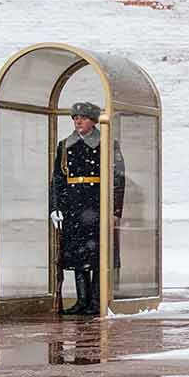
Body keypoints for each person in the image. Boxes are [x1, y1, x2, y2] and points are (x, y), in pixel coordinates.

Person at [51, 101, 124, 317]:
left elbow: (118, 179)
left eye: (82, 118)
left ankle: (96, 301)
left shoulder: (107, 144)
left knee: (97, 255)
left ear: (93, 121)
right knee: (78, 256)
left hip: (97, 205)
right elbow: (58, 180)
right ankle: (82, 301)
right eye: (75, 118)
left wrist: (114, 211)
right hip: (73, 206)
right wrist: (55, 207)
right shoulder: (65, 145)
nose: (78, 121)